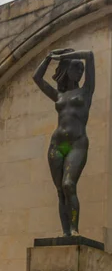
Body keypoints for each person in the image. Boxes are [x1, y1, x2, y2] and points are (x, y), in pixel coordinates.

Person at [33, 48, 95, 236]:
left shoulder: (86, 91)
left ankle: (75, 229)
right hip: (57, 145)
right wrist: (49, 56)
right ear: (67, 70)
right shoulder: (59, 96)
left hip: (77, 143)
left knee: (69, 185)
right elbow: (37, 78)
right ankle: (66, 233)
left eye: (81, 69)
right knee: (61, 191)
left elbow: (90, 56)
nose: (80, 71)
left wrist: (65, 56)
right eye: (76, 68)